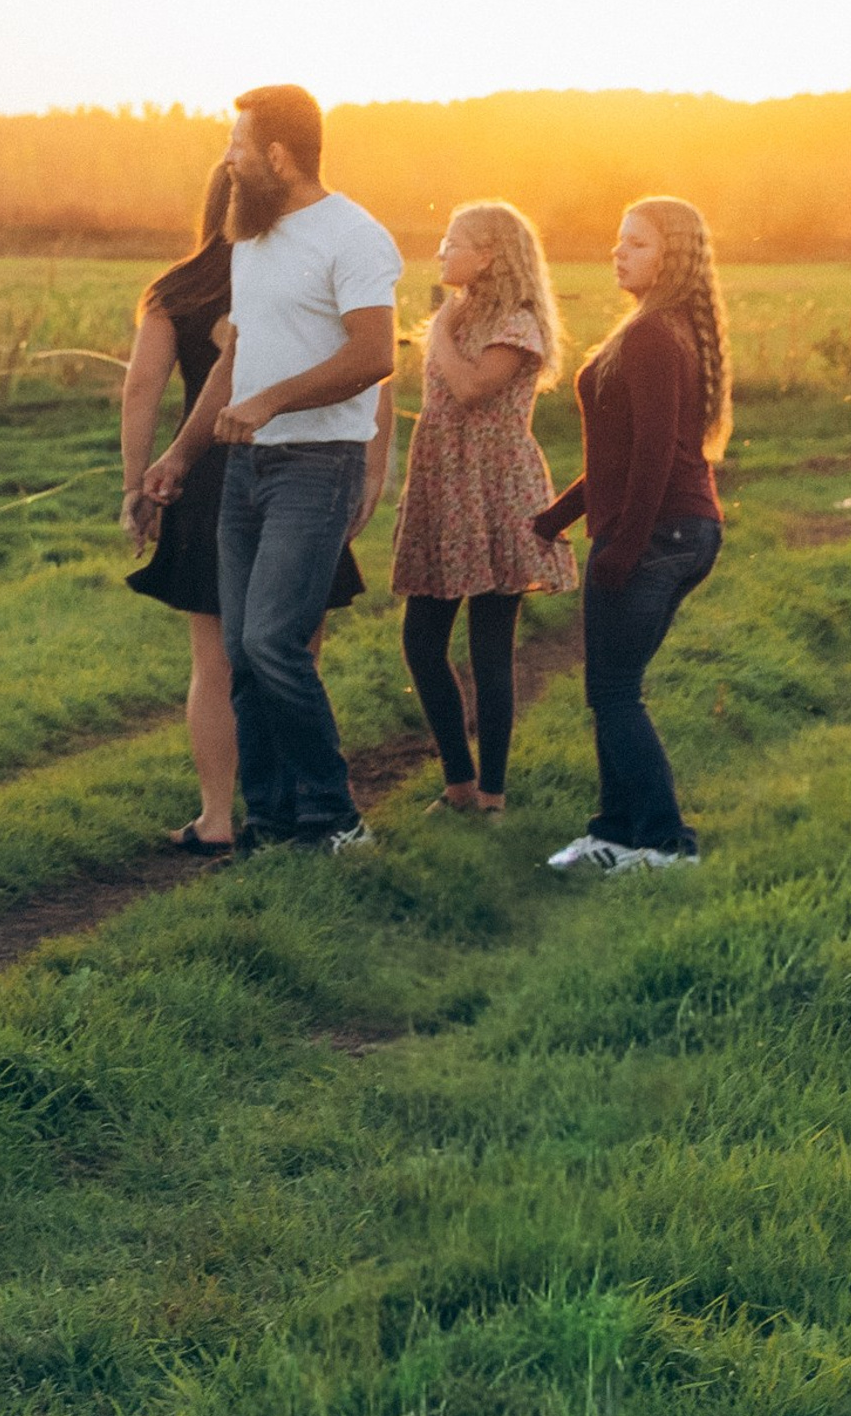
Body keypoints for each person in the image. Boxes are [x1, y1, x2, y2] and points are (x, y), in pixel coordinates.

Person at [145, 84, 399, 853]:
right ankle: (273, 819)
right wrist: (182, 453)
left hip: (317, 465)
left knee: (273, 644)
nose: (228, 159)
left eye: (238, 145)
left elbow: (374, 354)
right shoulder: (249, 240)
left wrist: (272, 403)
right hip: (243, 469)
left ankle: (336, 815)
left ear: (279, 156)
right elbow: (238, 358)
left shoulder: (353, 236)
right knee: (241, 653)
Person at [532, 197, 731, 872]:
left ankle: (667, 843)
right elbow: (616, 458)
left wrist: (623, 545)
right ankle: (616, 833)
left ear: (670, 257)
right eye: (619, 240)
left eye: (637, 244)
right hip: (685, 530)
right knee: (613, 688)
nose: (618, 252)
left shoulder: (651, 337)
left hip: (658, 534)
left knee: (614, 693)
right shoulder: (660, 329)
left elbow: (650, 455)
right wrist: (557, 519)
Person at [391, 200, 577, 816]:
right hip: (443, 485)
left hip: (496, 488)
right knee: (421, 641)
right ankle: (459, 782)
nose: (441, 251)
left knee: (490, 648)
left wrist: (437, 332)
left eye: (453, 241)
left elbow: (472, 389)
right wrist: (446, 326)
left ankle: (491, 796)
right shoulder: (462, 313)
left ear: (491, 253)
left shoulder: (518, 324)